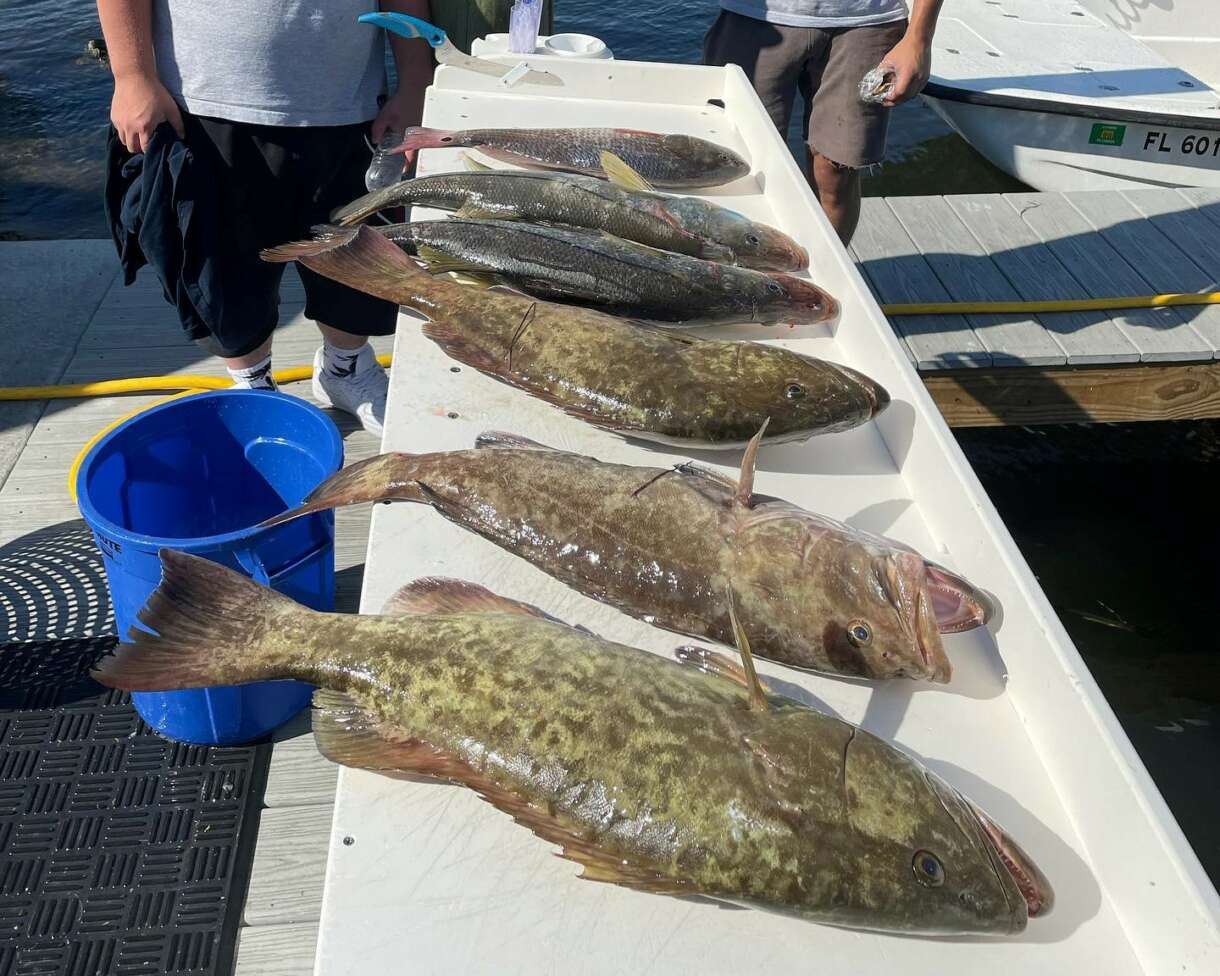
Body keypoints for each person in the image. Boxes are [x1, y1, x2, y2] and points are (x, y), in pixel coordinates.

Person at [98, 1, 434, 434]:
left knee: (358, 263)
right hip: (203, 109)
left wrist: (416, 82)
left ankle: (345, 369)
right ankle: (251, 383)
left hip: (350, 108)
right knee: (222, 272)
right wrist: (132, 76)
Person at [704, 0, 943, 244]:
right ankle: (745, 275)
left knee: (835, 173)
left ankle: (824, 274)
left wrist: (919, 37)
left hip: (866, 19)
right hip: (752, 14)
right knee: (739, 163)